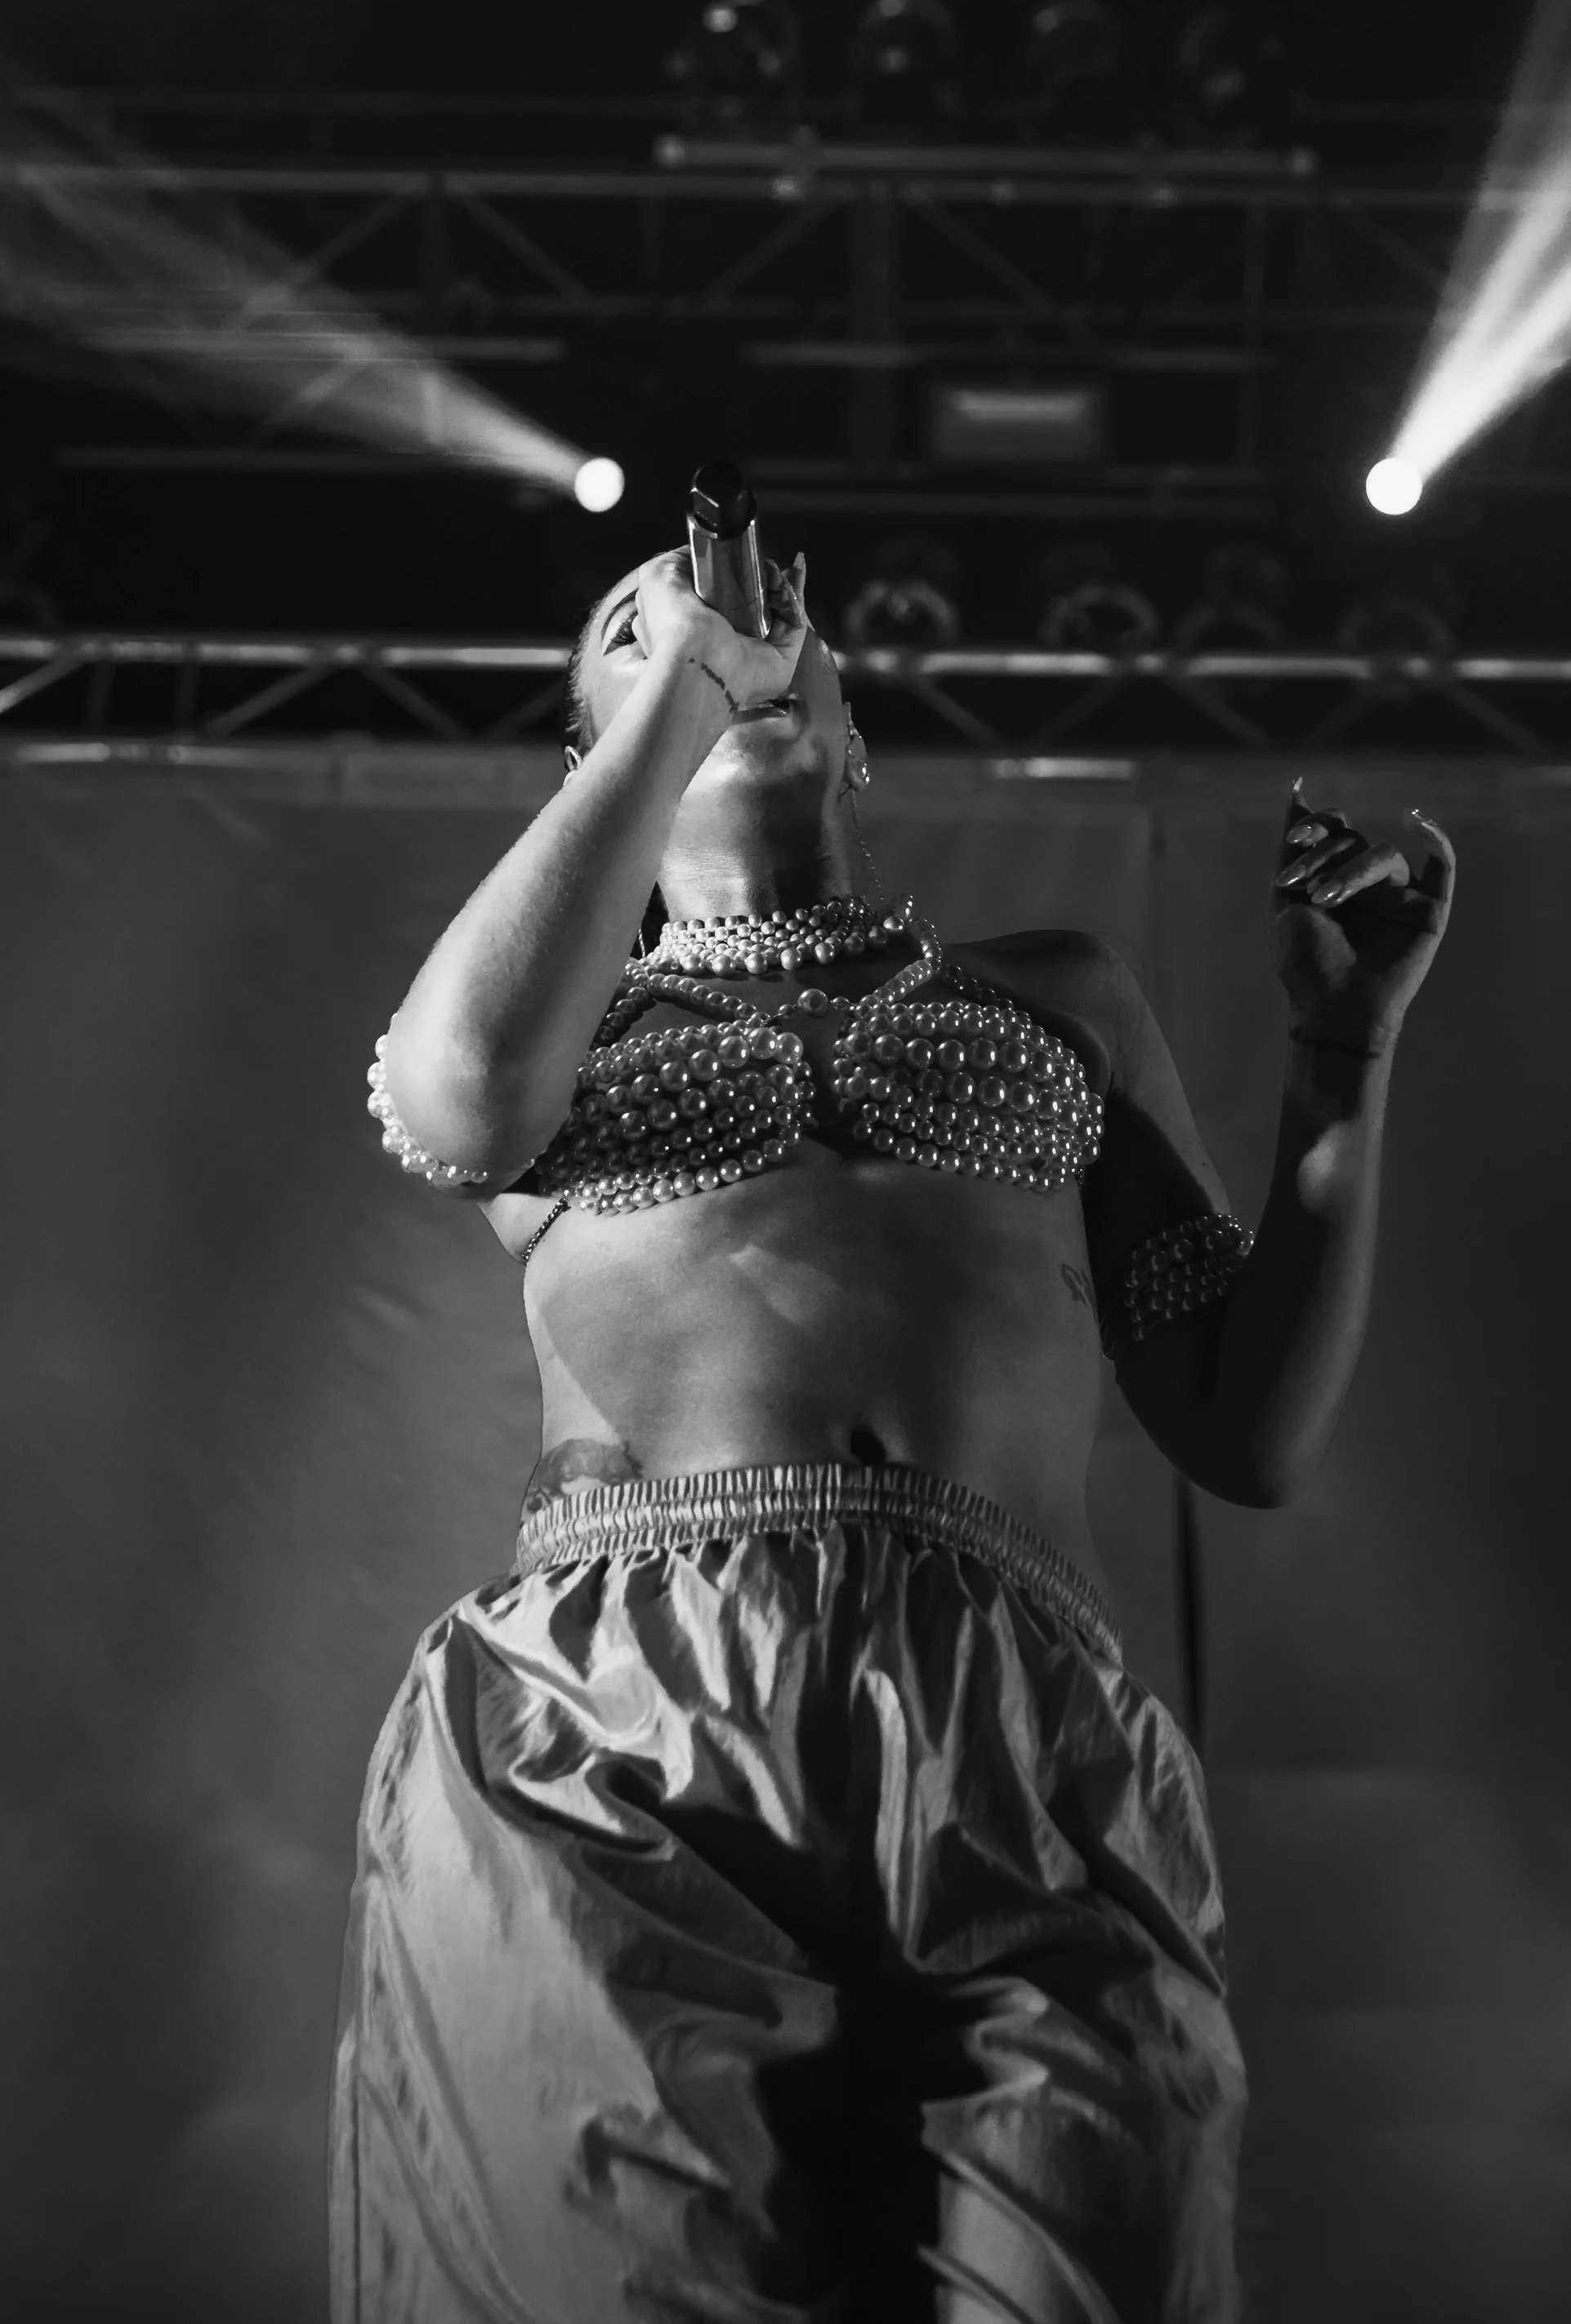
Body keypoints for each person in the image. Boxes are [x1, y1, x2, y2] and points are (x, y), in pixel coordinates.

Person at [333, 542, 1454, 2322]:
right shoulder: (561, 1017)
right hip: (631, 1720)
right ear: (595, 755)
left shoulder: (1057, 994)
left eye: (769, 619)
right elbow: (453, 1105)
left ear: (852, 725)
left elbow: (1246, 1427)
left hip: (1019, 1731)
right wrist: (685, 689)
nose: (718, 622)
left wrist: (1341, 1062)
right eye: (636, 627)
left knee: (1087, 2262)